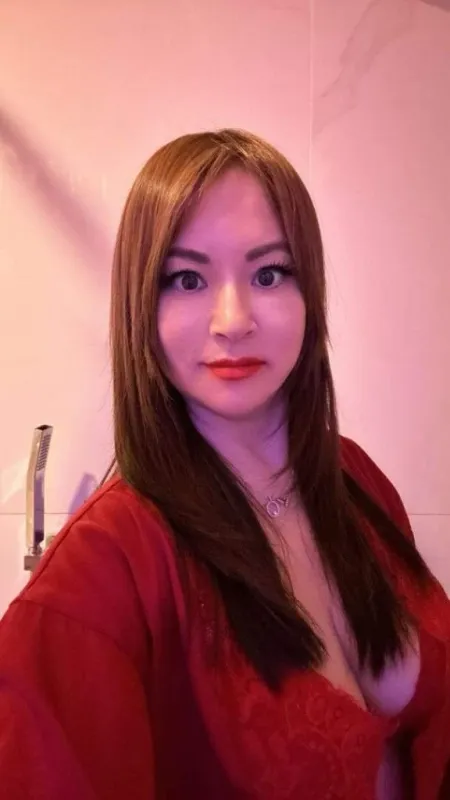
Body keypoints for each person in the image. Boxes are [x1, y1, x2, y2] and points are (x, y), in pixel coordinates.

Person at [0, 129, 448, 800]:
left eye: (269, 273)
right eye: (187, 279)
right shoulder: (102, 571)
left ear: (310, 292)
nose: (233, 320)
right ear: (140, 304)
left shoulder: (354, 479)